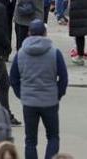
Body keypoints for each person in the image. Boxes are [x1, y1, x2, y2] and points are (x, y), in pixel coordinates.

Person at [9, 20, 68, 159]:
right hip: (50, 101)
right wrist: (57, 94)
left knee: (30, 140)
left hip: (29, 102)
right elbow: (64, 78)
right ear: (45, 33)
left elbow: (13, 78)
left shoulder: (21, 53)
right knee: (53, 137)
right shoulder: (55, 52)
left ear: (29, 33)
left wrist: (21, 95)